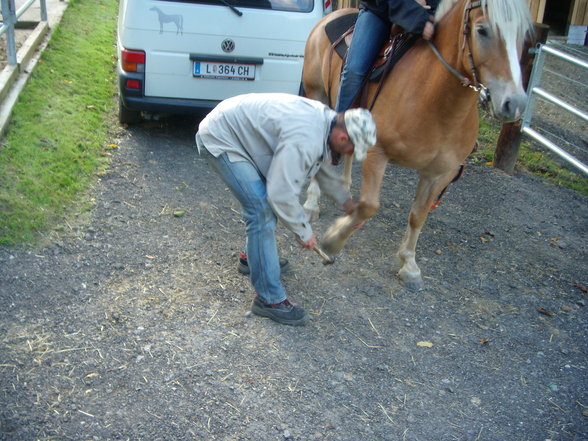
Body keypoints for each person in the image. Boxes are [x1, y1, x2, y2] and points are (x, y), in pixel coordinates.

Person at [196, 93, 376, 326]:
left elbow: (319, 167)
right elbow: (280, 193)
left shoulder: (326, 123)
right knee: (261, 211)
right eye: (352, 149)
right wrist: (303, 231)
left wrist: (347, 203)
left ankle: (252, 260)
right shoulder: (306, 137)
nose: (350, 154)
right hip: (222, 137)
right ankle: (269, 300)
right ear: (343, 137)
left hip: (243, 134)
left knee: (264, 209)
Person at [335, 0, 440, 113]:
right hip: (380, 11)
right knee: (355, 70)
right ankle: (338, 122)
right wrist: (417, 19)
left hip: (429, 13)